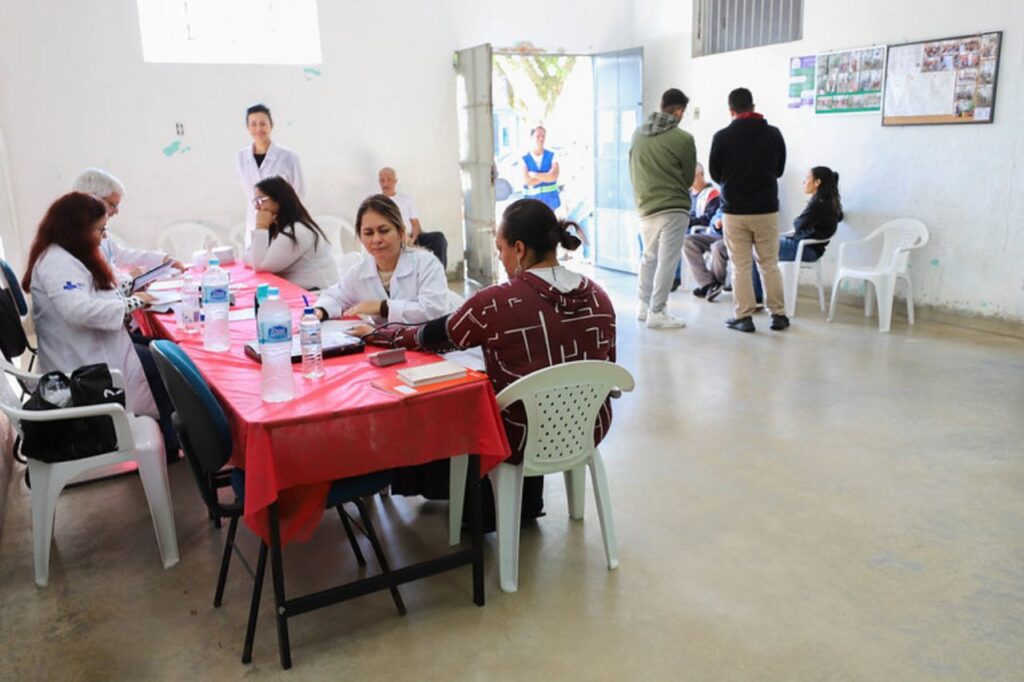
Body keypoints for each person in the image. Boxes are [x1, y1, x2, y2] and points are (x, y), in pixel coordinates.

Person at [363, 198, 616, 524]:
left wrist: (375, 335)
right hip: (587, 428)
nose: (500, 257)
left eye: (500, 249)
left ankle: (469, 514)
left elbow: (429, 337)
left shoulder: (495, 303)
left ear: (520, 249)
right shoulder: (600, 297)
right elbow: (607, 371)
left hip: (519, 437)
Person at [21, 192, 178, 460]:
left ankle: (172, 440)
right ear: (77, 229)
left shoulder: (69, 254)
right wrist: (132, 303)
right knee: (166, 367)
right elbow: (78, 311)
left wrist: (131, 288)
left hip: (94, 347)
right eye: (100, 229)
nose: (104, 236)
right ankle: (172, 446)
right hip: (81, 367)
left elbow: (92, 294)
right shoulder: (56, 262)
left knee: (163, 350)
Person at [709, 87, 788, 333]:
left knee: (740, 265)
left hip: (735, 211)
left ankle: (744, 317)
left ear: (731, 111)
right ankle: (778, 315)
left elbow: (715, 173)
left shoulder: (722, 137)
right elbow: (779, 170)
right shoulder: (773, 134)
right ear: (753, 107)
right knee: (769, 263)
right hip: (766, 209)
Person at [313, 194, 451, 325]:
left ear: (401, 232)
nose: (376, 239)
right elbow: (336, 296)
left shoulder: (427, 264)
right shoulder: (360, 272)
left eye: (384, 230)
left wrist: (381, 307)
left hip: (431, 345)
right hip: (389, 343)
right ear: (361, 237)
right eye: (368, 233)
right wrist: (320, 311)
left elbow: (434, 311)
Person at [628, 88, 697, 329]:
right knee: (667, 261)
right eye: (683, 112)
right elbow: (689, 178)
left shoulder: (638, 135)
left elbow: (632, 169)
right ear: (678, 110)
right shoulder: (683, 139)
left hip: (646, 207)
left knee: (648, 257)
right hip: (674, 207)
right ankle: (658, 311)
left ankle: (643, 306)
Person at [753, 166, 843, 302]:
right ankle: (759, 295)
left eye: (807, 179)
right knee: (761, 245)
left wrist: (800, 224)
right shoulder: (831, 202)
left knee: (757, 248)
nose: (804, 182)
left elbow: (798, 224)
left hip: (805, 249)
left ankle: (757, 297)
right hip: (810, 248)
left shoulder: (818, 204)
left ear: (817, 182)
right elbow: (839, 217)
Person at [71, 168, 183, 277]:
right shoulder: (74, 241)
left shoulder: (96, 232)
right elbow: (98, 286)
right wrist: (130, 279)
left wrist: (163, 259)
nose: (116, 211)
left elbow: (122, 256)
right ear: (92, 200)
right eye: (112, 205)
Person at [249, 176, 338, 290]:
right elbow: (249, 256)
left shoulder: (297, 230)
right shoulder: (276, 228)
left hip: (318, 295)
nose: (257, 207)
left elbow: (260, 265)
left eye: (261, 200)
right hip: (299, 291)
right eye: (255, 202)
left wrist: (261, 226)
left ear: (279, 200)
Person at [236, 103, 304, 246]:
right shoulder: (241, 157)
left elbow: (298, 194)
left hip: (282, 223)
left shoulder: (289, 157)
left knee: (280, 262)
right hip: (254, 221)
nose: (258, 129)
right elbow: (249, 191)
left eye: (263, 124)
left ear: (271, 125)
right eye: (253, 124)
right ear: (248, 128)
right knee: (256, 261)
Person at [377, 167, 449, 268]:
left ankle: (438, 276)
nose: (385, 183)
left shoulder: (406, 199)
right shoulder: (377, 202)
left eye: (389, 179)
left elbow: (415, 224)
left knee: (438, 238)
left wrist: (413, 238)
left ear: (395, 181)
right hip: (394, 240)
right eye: (382, 180)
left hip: (411, 237)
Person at [671, 162, 722, 291]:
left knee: (678, 238)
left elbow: (708, 219)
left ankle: (675, 278)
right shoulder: (687, 194)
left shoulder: (712, 194)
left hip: (702, 231)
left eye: (691, 177)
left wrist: (688, 221)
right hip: (685, 228)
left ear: (701, 175)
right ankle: (706, 283)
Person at [683, 206, 728, 301]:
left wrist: (725, 222)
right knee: (687, 241)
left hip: (733, 236)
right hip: (715, 234)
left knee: (717, 246)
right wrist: (717, 222)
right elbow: (715, 217)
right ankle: (707, 283)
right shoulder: (725, 199)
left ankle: (716, 283)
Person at [521, 125, 561, 212]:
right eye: (538, 136)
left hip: (550, 203)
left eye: (543, 136)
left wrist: (534, 175)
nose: (541, 138)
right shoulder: (524, 159)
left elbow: (553, 176)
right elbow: (527, 181)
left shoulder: (553, 155)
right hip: (531, 204)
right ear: (531, 137)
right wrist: (547, 177)